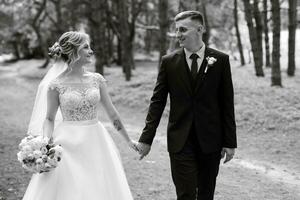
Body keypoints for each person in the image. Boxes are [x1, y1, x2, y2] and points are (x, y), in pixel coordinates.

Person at [22, 31, 137, 200]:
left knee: (98, 185)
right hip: (66, 143)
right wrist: (46, 144)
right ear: (72, 51)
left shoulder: (97, 79)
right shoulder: (56, 84)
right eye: (86, 47)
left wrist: (128, 140)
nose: (91, 51)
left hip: (95, 140)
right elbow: (49, 118)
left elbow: (113, 114)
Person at [136, 11, 237, 200]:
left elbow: (226, 103)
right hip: (180, 141)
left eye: (183, 30)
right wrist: (146, 139)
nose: (178, 35)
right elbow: (157, 102)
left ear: (200, 29)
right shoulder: (169, 62)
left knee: (206, 195)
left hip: (211, 141)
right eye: (177, 30)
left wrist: (230, 142)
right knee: (185, 195)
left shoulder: (221, 60)